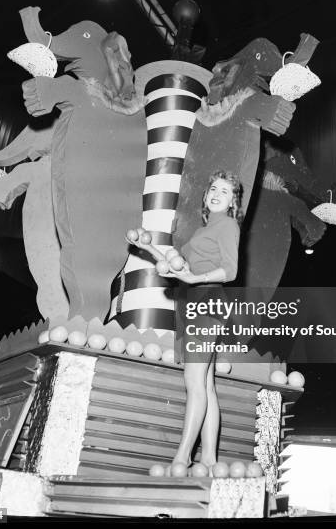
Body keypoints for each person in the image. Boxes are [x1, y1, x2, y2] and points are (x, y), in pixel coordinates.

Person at [128, 170, 243, 472]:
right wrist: (149, 247)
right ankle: (208, 459)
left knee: (194, 382)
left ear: (233, 202)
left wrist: (197, 276)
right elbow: (179, 269)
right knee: (205, 383)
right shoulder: (201, 233)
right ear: (206, 196)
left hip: (207, 301)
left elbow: (230, 271)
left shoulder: (229, 225)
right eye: (213, 188)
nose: (217, 193)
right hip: (193, 303)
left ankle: (182, 457)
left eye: (226, 191)